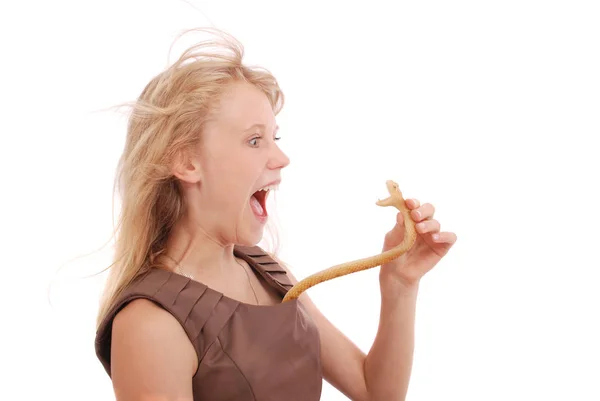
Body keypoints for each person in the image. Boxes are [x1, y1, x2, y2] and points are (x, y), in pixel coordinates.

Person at [94, 27, 457, 401]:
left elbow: (375, 390)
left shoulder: (268, 272)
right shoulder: (150, 322)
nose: (281, 159)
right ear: (186, 161)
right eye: (254, 140)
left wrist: (399, 285)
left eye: (274, 138)